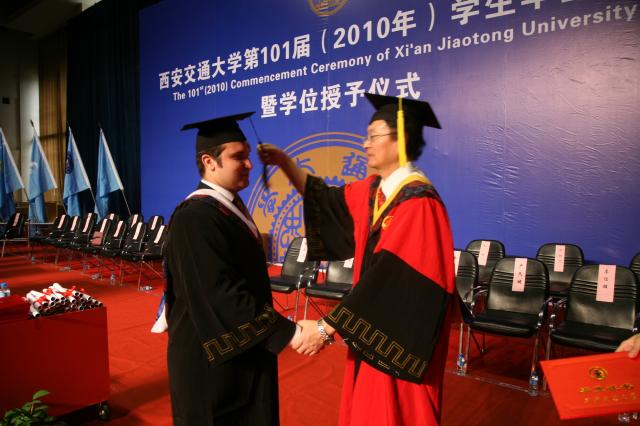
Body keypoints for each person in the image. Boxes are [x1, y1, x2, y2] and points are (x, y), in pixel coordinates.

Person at [259, 93, 456, 425]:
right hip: (371, 327)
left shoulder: (419, 203)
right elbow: (324, 199)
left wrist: (325, 328)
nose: (365, 144)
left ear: (401, 139)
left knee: (396, 412)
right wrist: (284, 162)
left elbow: (389, 280)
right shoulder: (375, 191)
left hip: (399, 335)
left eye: (374, 136)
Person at [164, 112, 300, 426]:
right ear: (209, 162)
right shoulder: (194, 218)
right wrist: (289, 332)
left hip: (240, 349)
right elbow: (220, 295)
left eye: (249, 155)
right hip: (211, 365)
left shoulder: (226, 208)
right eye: (238, 157)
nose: (249, 164)